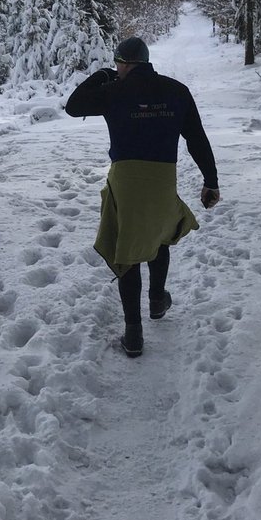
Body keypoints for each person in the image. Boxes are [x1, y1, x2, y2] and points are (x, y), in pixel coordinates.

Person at [65, 36, 220, 357]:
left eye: (117, 64)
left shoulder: (113, 91)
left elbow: (73, 105)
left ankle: (133, 333)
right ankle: (157, 300)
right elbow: (196, 139)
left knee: (128, 250)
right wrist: (211, 181)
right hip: (162, 178)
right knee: (160, 236)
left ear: (122, 63)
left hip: (125, 179)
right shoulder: (177, 91)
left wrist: (102, 75)